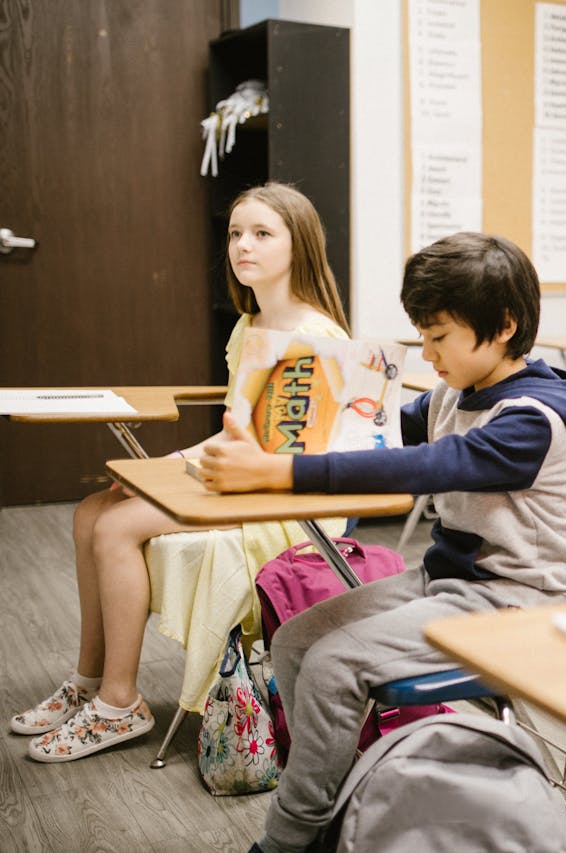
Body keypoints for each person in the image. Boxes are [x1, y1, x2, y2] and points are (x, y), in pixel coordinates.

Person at [196, 231, 566, 853]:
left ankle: (288, 838)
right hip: (450, 582)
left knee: (334, 665)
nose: (428, 354)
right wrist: (277, 424)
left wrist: (282, 473)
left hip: (521, 603)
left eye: (439, 338)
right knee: (298, 640)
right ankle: (334, 797)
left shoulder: (531, 419)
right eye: (422, 337)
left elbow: (428, 466)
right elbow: (370, 432)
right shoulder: (452, 395)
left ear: (504, 326)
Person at [12, 182, 351, 762]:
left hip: (283, 502)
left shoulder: (315, 338)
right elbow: (238, 428)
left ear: (300, 246)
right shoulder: (250, 326)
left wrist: (183, 472)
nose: (243, 245)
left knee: (117, 527)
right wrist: (170, 464)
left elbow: (287, 453)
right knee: (92, 511)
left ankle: (121, 705)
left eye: (262, 234)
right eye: (236, 233)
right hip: (240, 475)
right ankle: (89, 682)